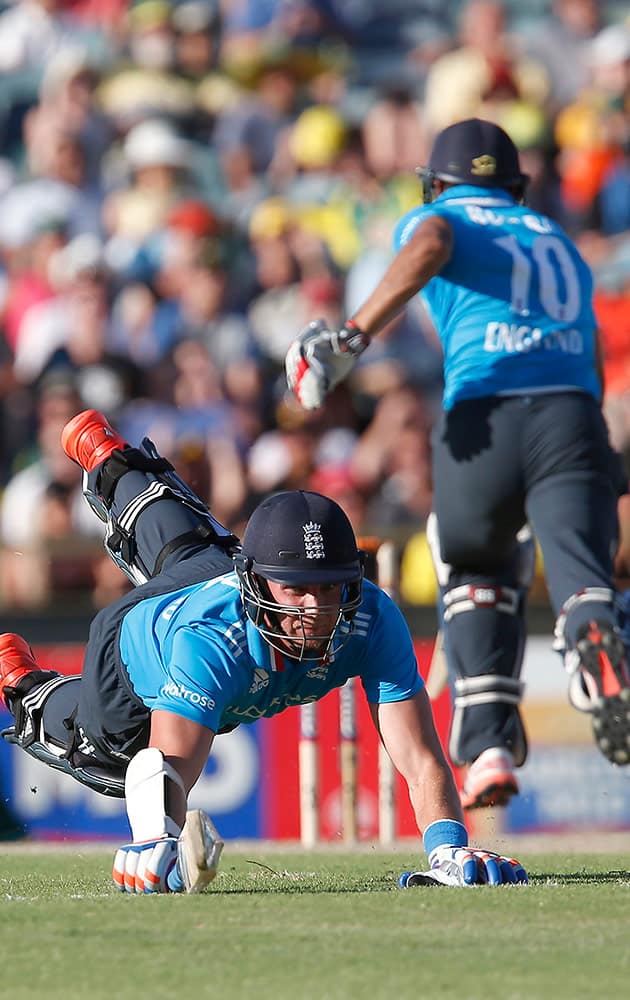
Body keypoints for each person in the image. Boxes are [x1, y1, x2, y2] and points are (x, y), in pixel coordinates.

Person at [0, 408, 527, 892]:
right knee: (108, 755)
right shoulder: (210, 645)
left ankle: (111, 460)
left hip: (210, 571)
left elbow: (419, 756)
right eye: (296, 588)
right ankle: (22, 685)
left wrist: (448, 850)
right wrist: (157, 838)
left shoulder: (371, 614)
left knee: (190, 544)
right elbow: (166, 766)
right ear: (257, 583)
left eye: (329, 587)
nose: (315, 609)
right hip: (135, 647)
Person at [285, 117, 630, 811]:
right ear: (516, 186)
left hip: (487, 409)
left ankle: (488, 745)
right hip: (573, 414)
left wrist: (353, 337)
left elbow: (436, 240)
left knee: (472, 563)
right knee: (583, 583)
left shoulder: (439, 214)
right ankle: (593, 639)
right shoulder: (559, 240)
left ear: (437, 182)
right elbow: (589, 358)